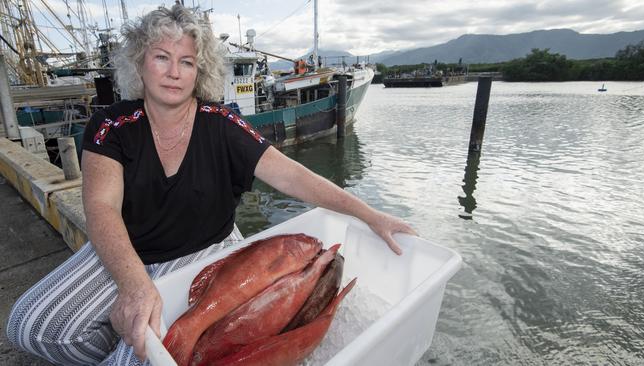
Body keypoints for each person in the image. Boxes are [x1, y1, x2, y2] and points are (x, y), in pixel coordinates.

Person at [6, 4, 416, 365]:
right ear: (139, 63)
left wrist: (370, 213)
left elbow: (292, 174)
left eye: (187, 61)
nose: (173, 72)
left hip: (204, 254)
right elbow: (101, 207)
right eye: (161, 57)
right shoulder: (112, 124)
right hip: (126, 254)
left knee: (146, 358)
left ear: (199, 70)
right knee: (31, 327)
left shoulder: (221, 124)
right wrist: (133, 286)